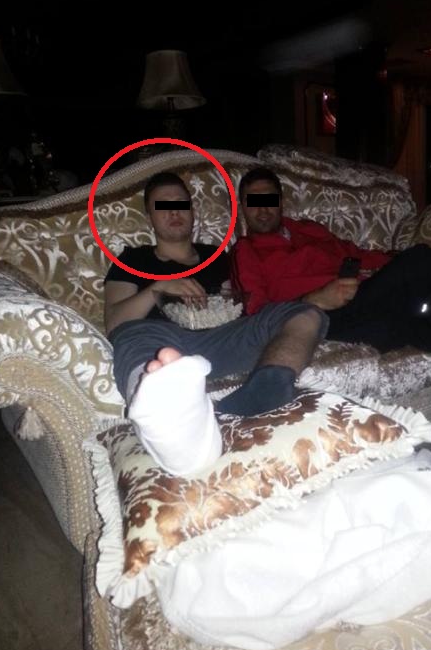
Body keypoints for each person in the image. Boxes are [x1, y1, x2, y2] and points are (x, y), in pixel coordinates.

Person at [231, 166, 431, 515]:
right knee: (420, 261)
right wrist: (315, 298)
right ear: (242, 208)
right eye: (253, 202)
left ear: (281, 202)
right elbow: (256, 312)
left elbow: (357, 254)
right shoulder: (245, 251)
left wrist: (392, 267)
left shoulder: (310, 230)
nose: (262, 209)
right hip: (327, 318)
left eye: (268, 200)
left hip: (383, 308)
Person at [104, 171, 328, 476]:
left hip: (221, 337)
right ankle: (167, 417)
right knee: (133, 335)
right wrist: (159, 287)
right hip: (158, 337)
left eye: (181, 204)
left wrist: (230, 302)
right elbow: (115, 322)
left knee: (304, 313)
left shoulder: (218, 256)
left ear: (193, 211)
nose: (174, 213)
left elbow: (243, 304)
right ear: (149, 218)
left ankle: (267, 389)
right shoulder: (133, 259)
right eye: (163, 206)